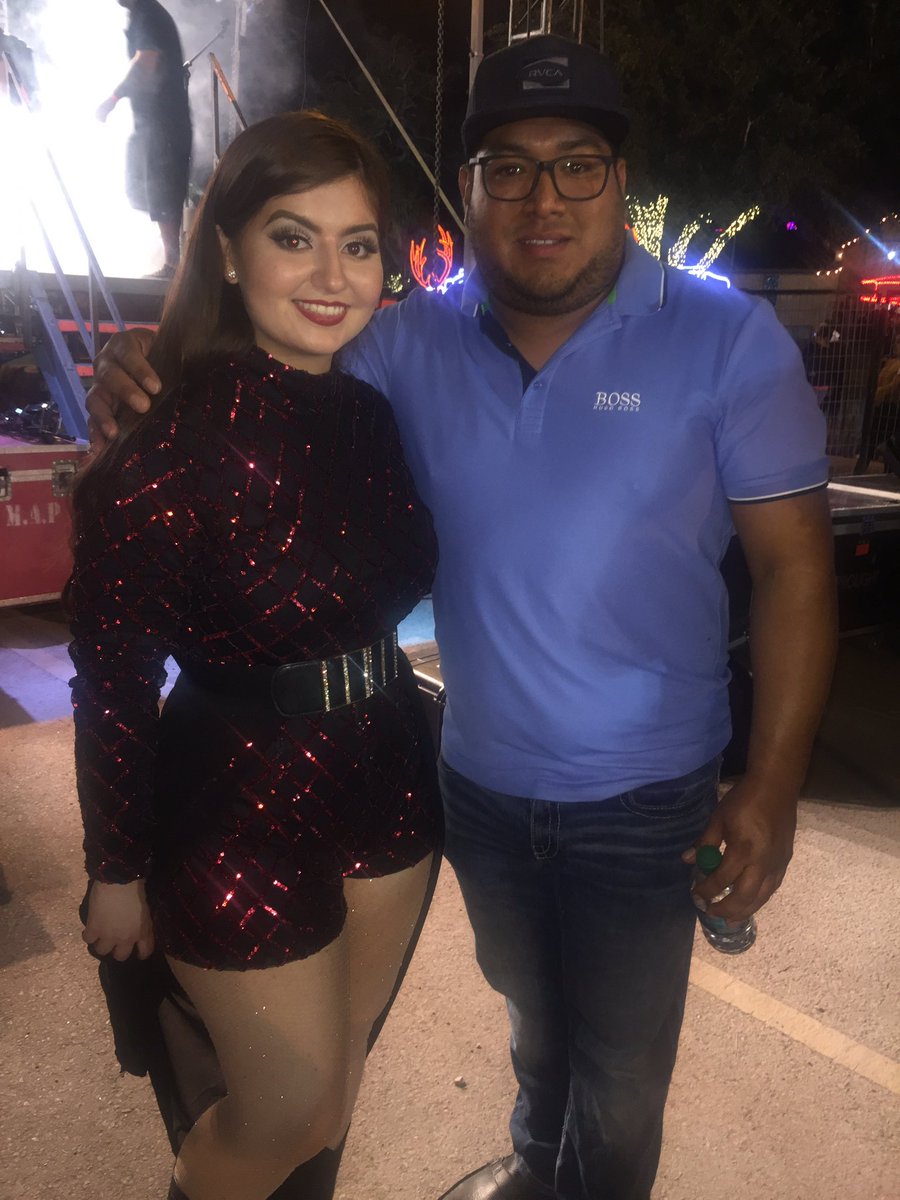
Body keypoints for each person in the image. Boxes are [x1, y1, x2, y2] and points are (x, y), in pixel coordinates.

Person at [85, 35, 838, 1200]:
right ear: (469, 188)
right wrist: (146, 358)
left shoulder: (727, 340)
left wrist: (774, 785)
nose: (544, 198)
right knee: (532, 1034)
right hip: (471, 791)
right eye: (508, 168)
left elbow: (795, 572)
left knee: (620, 1078)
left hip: (646, 802)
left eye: (576, 163)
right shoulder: (402, 343)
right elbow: (270, 355)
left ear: (619, 178)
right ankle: (536, 1173)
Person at [69, 109, 441, 1200]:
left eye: (357, 244)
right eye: (293, 237)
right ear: (228, 252)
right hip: (234, 804)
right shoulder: (163, 439)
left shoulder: (370, 415)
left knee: (336, 1092)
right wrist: (114, 866)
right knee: (283, 1107)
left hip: (389, 776)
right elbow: (114, 677)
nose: (331, 274)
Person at [96, 0, 192, 277]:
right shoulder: (144, 15)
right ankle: (170, 260)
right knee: (149, 188)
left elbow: (146, 61)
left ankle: (173, 265)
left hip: (164, 121)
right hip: (157, 122)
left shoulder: (148, 15)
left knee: (164, 188)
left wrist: (113, 98)